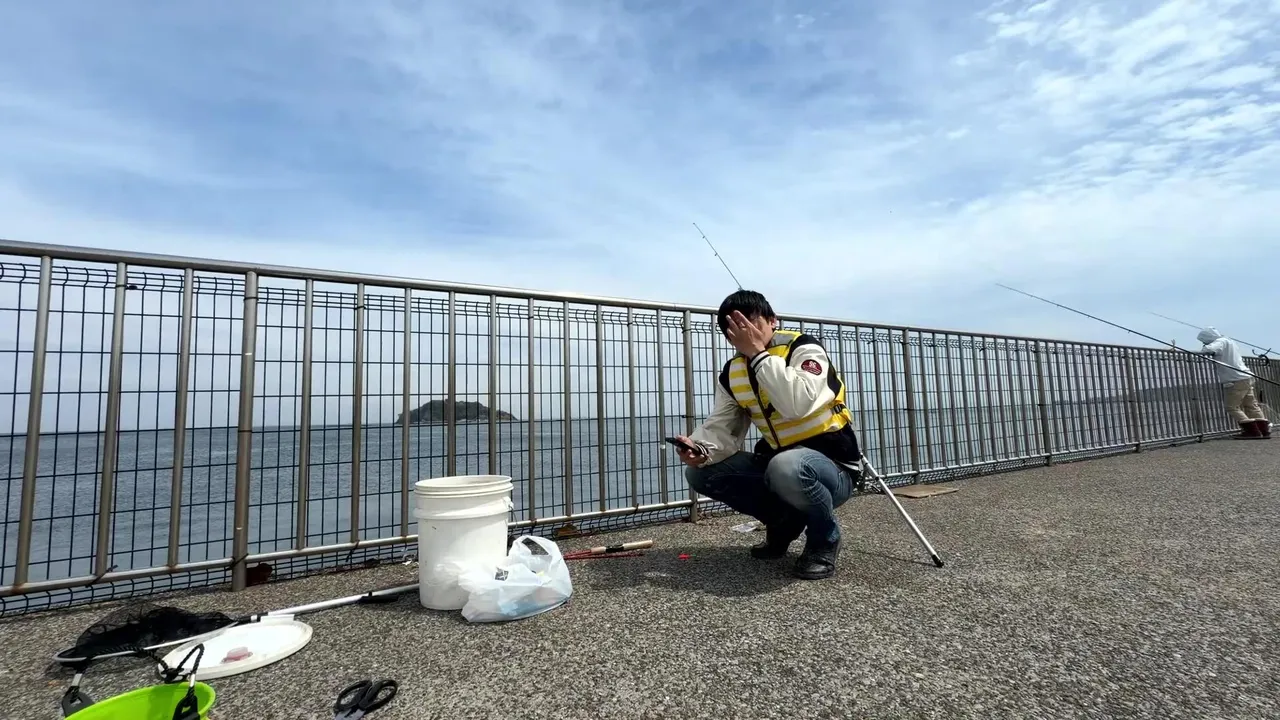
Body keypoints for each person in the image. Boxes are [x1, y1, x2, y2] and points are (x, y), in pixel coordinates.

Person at [672, 290, 863, 580]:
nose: (745, 332)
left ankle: (824, 539)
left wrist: (758, 355)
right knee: (700, 474)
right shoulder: (732, 373)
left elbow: (797, 404)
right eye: (735, 328)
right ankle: (784, 523)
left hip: (835, 469)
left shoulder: (804, 349)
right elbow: (723, 425)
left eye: (752, 322)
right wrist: (700, 449)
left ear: (773, 321)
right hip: (779, 467)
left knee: (788, 465)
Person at [1197, 327, 1271, 439]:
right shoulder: (1230, 341)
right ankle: (1263, 431)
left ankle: (1252, 431)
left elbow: (1207, 349)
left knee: (1231, 407)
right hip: (1246, 376)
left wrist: (1205, 347)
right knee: (1251, 405)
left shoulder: (1220, 342)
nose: (1204, 343)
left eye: (1204, 340)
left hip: (1235, 379)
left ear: (1208, 337)